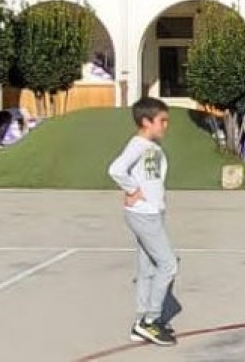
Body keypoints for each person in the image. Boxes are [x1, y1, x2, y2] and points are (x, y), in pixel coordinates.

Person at [106, 96, 179, 347]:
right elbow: (116, 169)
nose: (165, 125)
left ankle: (141, 321)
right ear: (146, 121)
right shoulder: (138, 145)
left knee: (147, 269)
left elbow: (153, 177)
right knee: (168, 265)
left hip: (152, 212)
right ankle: (150, 321)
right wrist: (132, 189)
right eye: (162, 121)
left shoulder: (151, 146)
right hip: (143, 213)